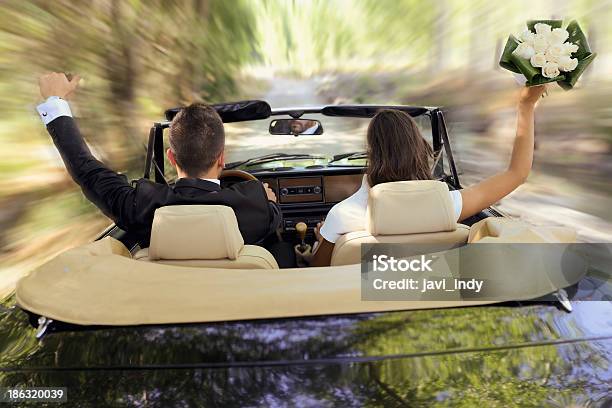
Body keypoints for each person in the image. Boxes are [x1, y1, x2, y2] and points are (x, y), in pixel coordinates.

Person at [36, 72, 285, 258]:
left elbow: (85, 169)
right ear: (221, 157)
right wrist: (269, 201)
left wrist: (54, 100)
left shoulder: (139, 206)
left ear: (171, 157)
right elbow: (273, 222)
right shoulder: (257, 205)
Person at [309, 85, 547, 266]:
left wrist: (319, 240)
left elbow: (317, 274)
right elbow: (517, 173)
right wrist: (526, 105)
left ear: (372, 154)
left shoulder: (342, 216)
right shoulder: (448, 206)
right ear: (420, 149)